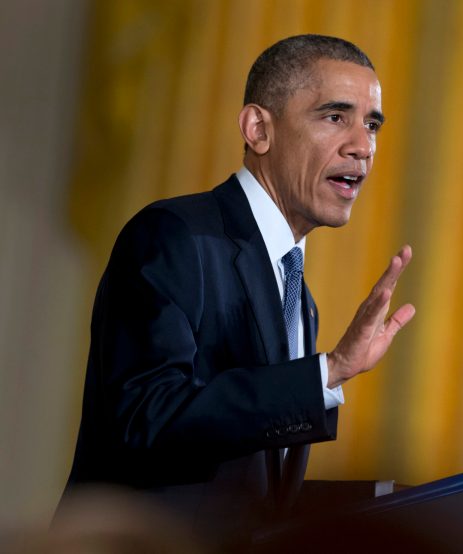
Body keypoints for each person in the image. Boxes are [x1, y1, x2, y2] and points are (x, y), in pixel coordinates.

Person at [60, 34, 415, 547]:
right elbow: (148, 419)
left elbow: (246, 494)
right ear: (258, 129)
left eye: (372, 123)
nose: (362, 145)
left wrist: (394, 507)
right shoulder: (177, 235)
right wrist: (327, 372)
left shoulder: (298, 295)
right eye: (336, 117)